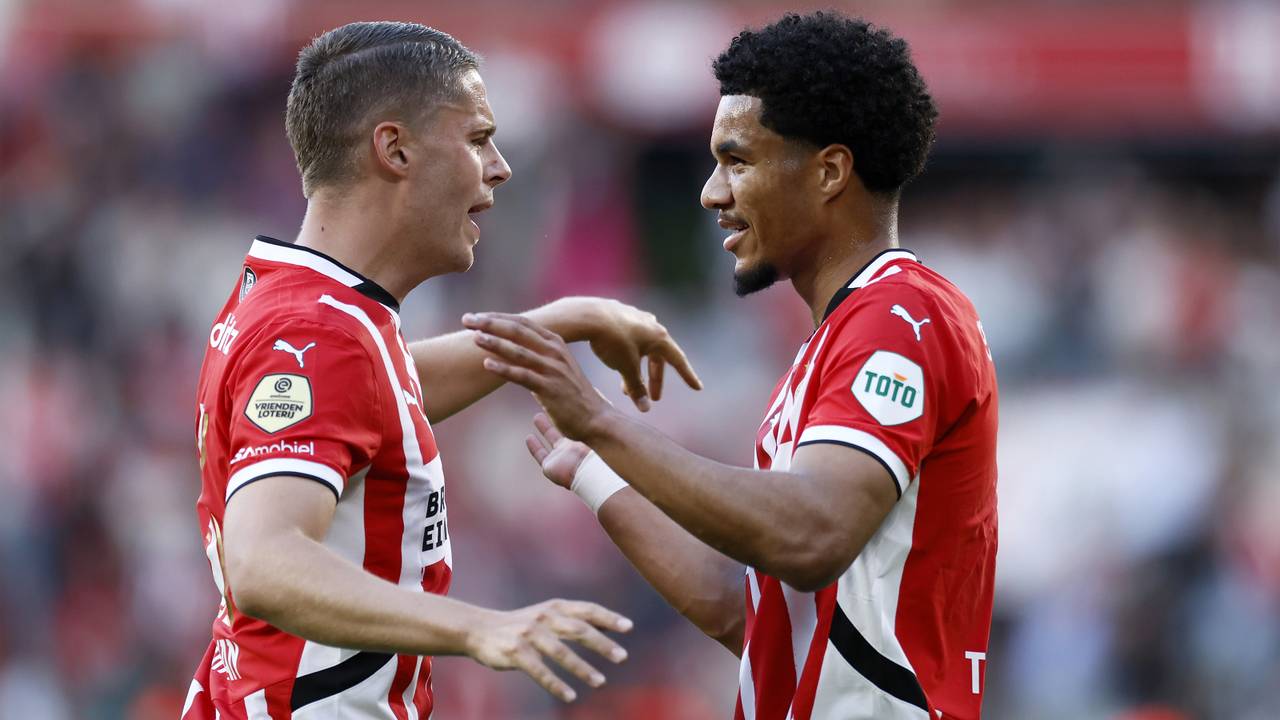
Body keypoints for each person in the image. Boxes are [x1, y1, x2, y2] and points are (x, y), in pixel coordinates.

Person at [464, 11, 998, 720]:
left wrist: (599, 418)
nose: (713, 193)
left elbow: (810, 536)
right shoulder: (835, 339)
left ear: (830, 172)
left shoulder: (901, 316)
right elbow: (745, 614)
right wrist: (593, 464)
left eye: (737, 161)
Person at [185, 21, 702, 719]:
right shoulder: (316, 331)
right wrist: (480, 626)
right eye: (478, 139)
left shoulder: (312, 309)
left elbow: (376, 397)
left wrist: (569, 320)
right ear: (395, 149)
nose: (500, 167)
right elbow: (263, 559)